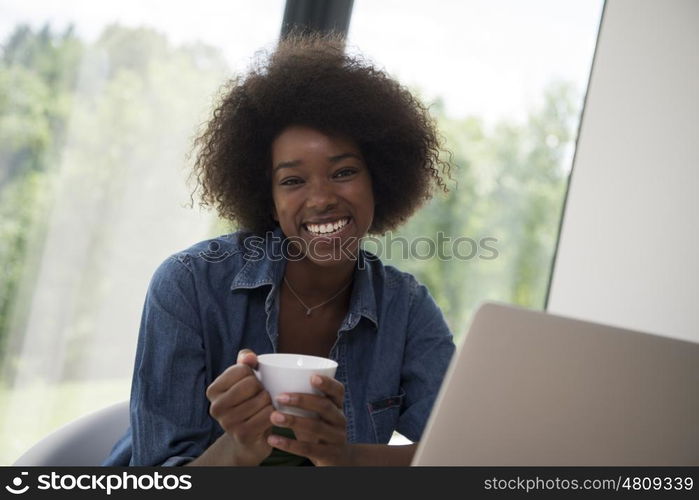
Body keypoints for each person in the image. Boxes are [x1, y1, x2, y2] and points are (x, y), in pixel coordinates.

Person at [103, 33, 455, 467]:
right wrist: (237, 448)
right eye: (292, 180)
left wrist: (344, 458)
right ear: (267, 199)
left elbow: (460, 455)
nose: (322, 198)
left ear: (378, 181)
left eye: (343, 171)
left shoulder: (407, 308)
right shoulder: (189, 284)